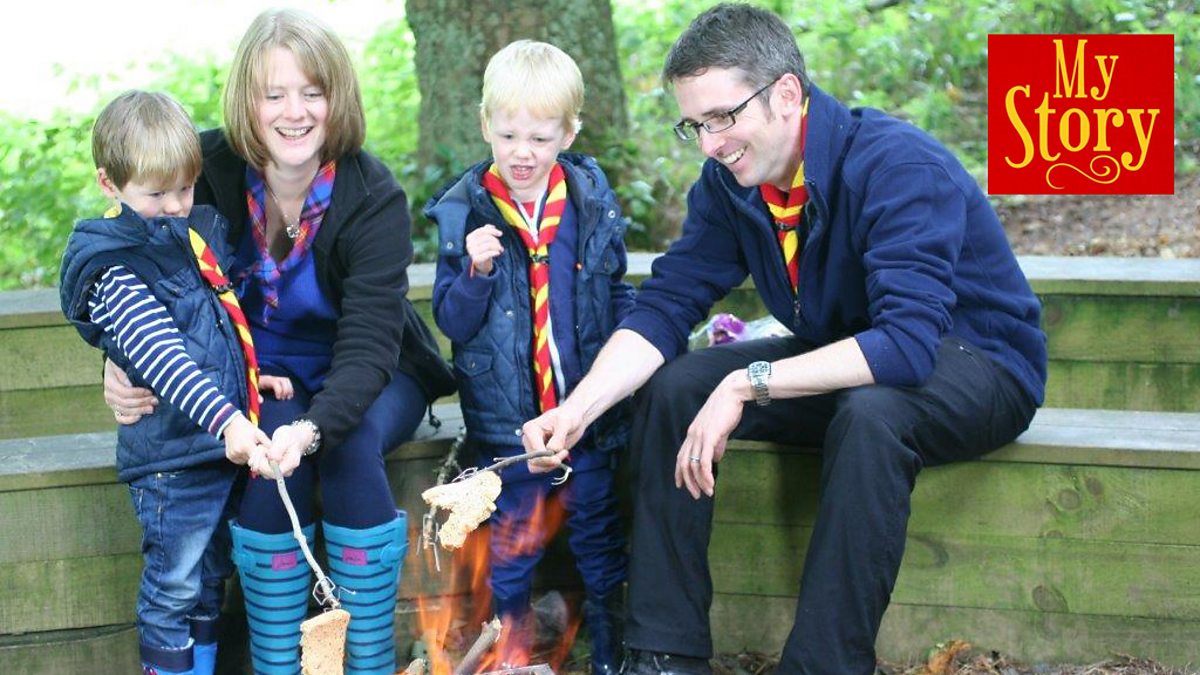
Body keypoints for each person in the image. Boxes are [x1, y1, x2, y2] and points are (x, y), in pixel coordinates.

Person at [522, 4, 1048, 674]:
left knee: (872, 412)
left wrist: (747, 383)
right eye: (696, 125)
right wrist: (578, 409)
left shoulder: (897, 165)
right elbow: (667, 306)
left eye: (723, 117)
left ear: (787, 94)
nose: (710, 143)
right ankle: (664, 653)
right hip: (853, 357)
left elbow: (907, 346)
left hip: (980, 365)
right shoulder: (731, 186)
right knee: (678, 384)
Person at [101, 10, 456, 675]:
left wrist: (315, 429)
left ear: (336, 98)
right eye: (274, 94)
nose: (295, 112)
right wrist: (117, 361)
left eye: (312, 92)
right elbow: (129, 258)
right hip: (258, 378)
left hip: (370, 374)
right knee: (270, 462)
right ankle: (278, 664)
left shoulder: (373, 195)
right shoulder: (202, 170)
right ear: (248, 100)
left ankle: (367, 662)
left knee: (347, 443)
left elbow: (369, 348)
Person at [59, 90, 287, 675]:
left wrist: (251, 376)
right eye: (156, 194)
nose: (175, 205)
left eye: (184, 189)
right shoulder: (116, 268)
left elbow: (214, 326)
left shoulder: (188, 238)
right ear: (109, 184)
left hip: (213, 451)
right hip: (171, 463)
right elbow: (165, 358)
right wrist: (228, 420)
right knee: (174, 587)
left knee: (211, 580)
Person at [426, 40, 635, 674]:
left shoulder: (588, 204)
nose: (522, 152)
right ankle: (512, 656)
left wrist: (639, 354)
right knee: (512, 551)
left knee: (599, 541)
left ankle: (611, 655)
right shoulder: (467, 214)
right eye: (508, 135)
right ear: (485, 124)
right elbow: (451, 320)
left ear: (569, 134)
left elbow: (614, 290)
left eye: (540, 139)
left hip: (585, 422)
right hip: (507, 429)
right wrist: (476, 273)